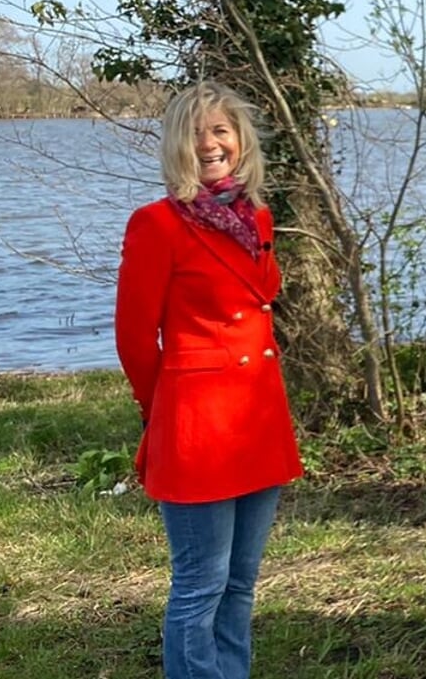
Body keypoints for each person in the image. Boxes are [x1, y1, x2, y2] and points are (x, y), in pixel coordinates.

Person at [115, 81, 302, 679]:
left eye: (220, 130)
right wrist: (160, 408)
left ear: (240, 140)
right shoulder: (157, 224)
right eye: (196, 133)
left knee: (241, 583)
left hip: (257, 417)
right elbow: (134, 338)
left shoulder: (257, 217)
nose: (209, 143)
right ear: (178, 146)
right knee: (201, 583)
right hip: (196, 421)